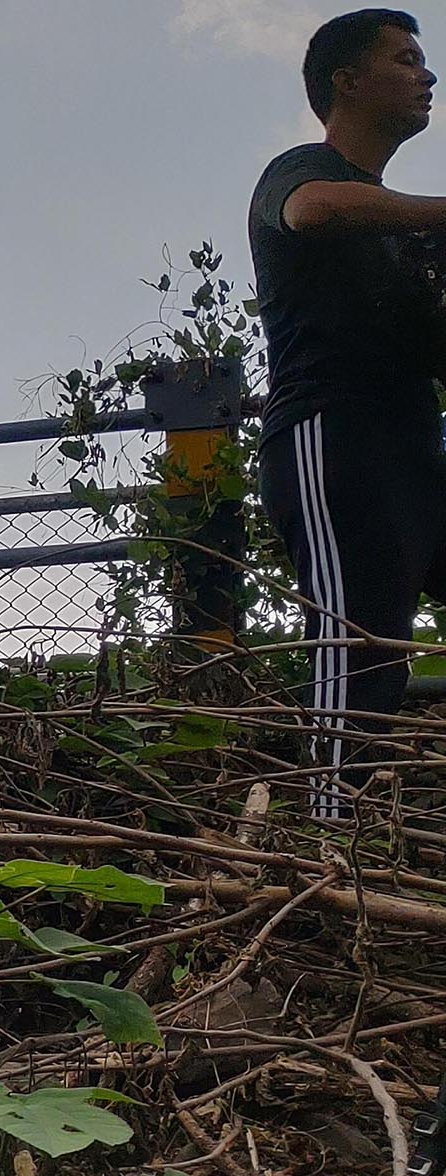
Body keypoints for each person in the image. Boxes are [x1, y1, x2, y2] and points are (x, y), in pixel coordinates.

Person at [249, 9, 446, 820]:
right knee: (361, 649)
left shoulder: (420, 238)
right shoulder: (299, 170)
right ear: (347, 81)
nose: (427, 76)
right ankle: (333, 856)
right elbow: (315, 210)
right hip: (333, 441)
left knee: (374, 649)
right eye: (406, 59)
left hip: (417, 451)